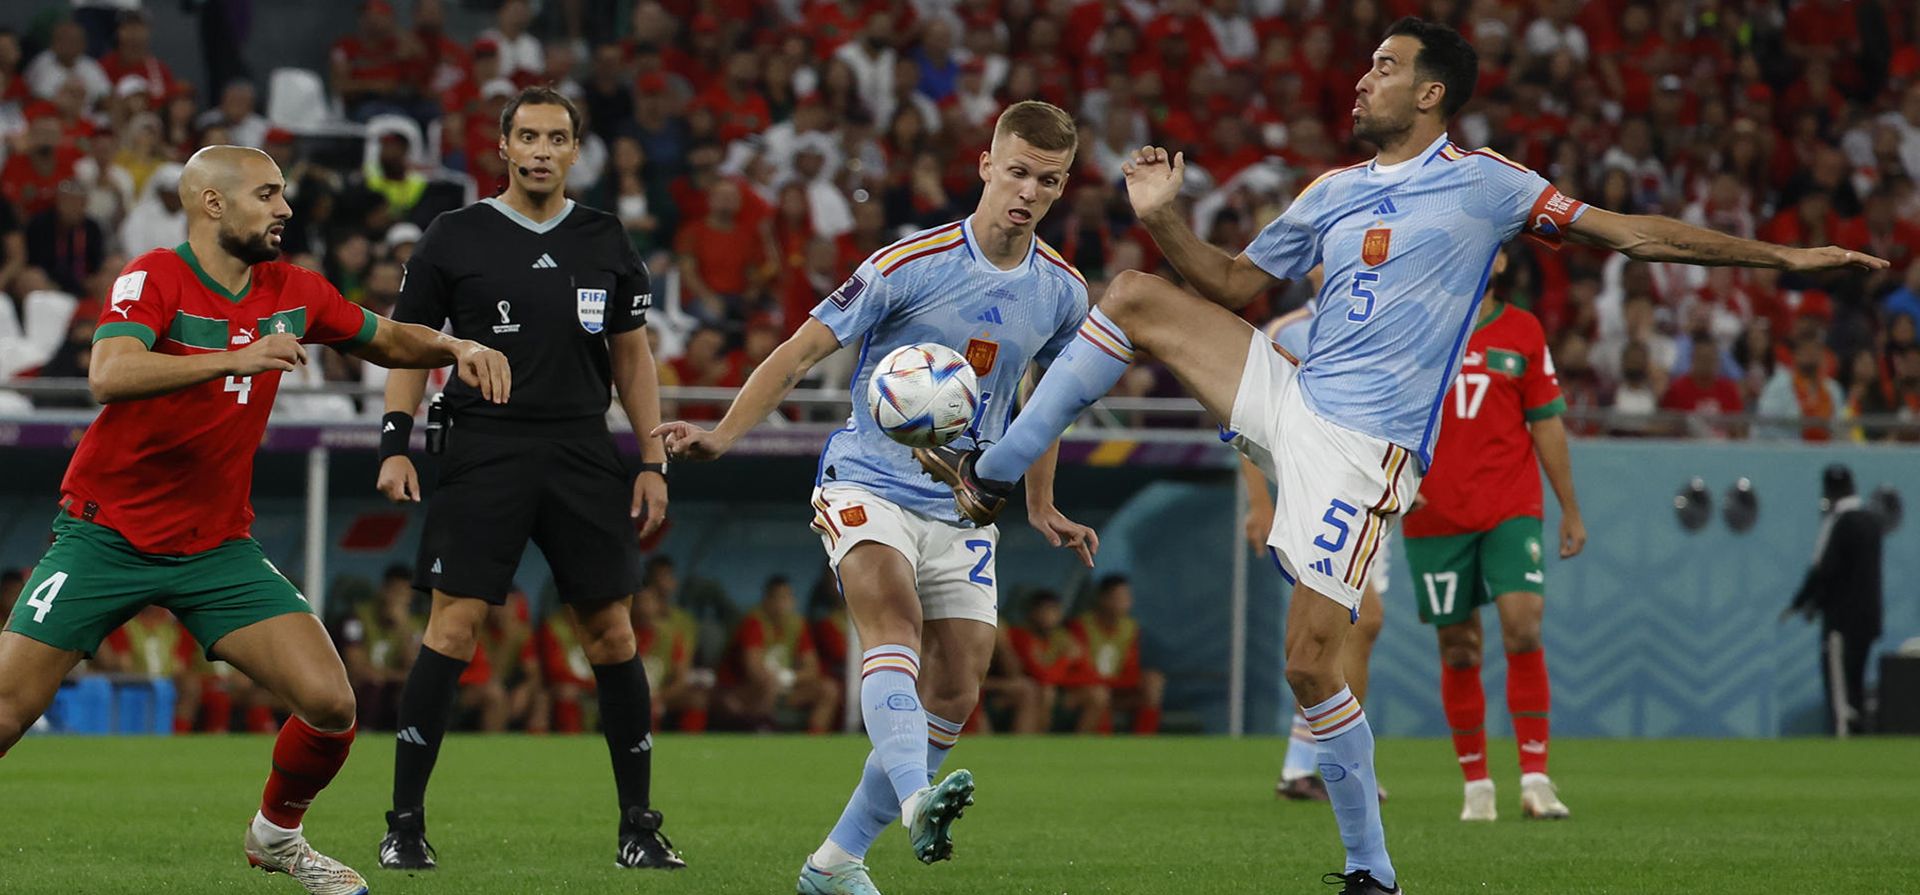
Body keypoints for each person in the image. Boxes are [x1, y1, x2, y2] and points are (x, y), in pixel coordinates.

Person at [915, 18, 1886, 893]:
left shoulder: (1489, 184)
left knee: (1307, 663)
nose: (1361, 79)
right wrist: (1166, 216)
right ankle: (994, 474)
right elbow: (1231, 282)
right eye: (1366, 64)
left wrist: (1788, 261)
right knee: (1130, 290)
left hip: (1363, 451)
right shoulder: (1332, 192)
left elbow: (1633, 234)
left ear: (1431, 93)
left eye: (1383, 68)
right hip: (1291, 395)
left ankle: (1372, 871)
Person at [0, 143, 509, 895]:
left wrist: (456, 344)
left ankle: (276, 836)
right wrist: (232, 358)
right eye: (268, 194)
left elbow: (384, 335)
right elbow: (109, 373)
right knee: (8, 709)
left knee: (332, 704)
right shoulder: (154, 276)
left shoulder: (292, 290)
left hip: (215, 547)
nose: (285, 210)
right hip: (105, 534)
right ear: (214, 203)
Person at [654, 100, 1097, 895]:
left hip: (961, 506)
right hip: (865, 480)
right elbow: (799, 350)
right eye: (1019, 171)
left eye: (1050, 180)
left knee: (960, 684)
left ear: (1063, 188)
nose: (1029, 191)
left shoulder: (1063, 291)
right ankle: (920, 796)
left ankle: (833, 862)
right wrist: (724, 434)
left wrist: (1039, 501)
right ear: (986, 166)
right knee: (893, 621)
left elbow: (1050, 400)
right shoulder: (909, 263)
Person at [373, 86, 679, 872]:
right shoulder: (454, 234)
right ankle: (404, 823)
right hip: (484, 446)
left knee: (612, 632)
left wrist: (651, 458)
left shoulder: (606, 238)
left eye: (557, 138)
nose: (542, 150)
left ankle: (639, 827)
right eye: (528, 136)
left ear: (576, 151)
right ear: (502, 147)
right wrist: (394, 444)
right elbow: (409, 344)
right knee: (453, 629)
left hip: (582, 449)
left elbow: (633, 357)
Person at [1398, 261, 1585, 822]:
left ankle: (1535, 778)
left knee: (1523, 624)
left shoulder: (1523, 329)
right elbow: (1384, 410)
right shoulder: (1412, 327)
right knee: (1459, 646)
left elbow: (1546, 422)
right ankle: (1476, 786)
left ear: (1501, 259)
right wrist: (1399, 478)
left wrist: (1569, 509)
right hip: (1434, 511)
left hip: (1510, 505)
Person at [1243, 306, 1389, 804]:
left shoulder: (1382, 318)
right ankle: (1321, 764)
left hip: (1366, 494)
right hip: (1310, 498)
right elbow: (1248, 416)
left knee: (1355, 632)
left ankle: (1317, 764)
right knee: (1356, 620)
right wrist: (1260, 503)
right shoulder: (1288, 331)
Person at [1784, 465, 1886, 737]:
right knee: (1856, 683)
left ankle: (1845, 740)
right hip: (1869, 620)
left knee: (1840, 692)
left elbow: (1825, 570)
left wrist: (1805, 603)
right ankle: (1859, 738)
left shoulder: (1838, 523)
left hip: (1841, 621)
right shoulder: (1871, 522)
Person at [716, 575, 841, 733]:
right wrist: (775, 681)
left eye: (788, 597)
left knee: (828, 689)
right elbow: (754, 671)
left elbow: (812, 668)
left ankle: (814, 740)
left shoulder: (797, 625)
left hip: (783, 687)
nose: (783, 604)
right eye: (778, 598)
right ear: (767, 601)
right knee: (767, 684)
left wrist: (788, 677)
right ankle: (761, 730)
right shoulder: (754, 622)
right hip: (745, 690)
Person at [1067, 575, 1165, 735]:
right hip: (1088, 688)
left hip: (1116, 686)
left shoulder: (1130, 628)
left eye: (1128, 597)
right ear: (1103, 599)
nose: (1126, 603)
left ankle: (1144, 742)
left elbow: (1131, 666)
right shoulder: (1081, 626)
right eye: (1119, 597)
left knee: (1154, 681)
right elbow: (1079, 669)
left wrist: (1120, 682)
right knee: (1100, 694)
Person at [1006, 590, 1108, 733]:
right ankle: (1037, 747)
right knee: (1047, 692)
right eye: (1045, 611)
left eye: (1054, 610)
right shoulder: (1021, 636)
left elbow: (1091, 675)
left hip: (1059, 688)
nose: (1050, 616)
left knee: (1098, 694)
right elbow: (1042, 677)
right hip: (1026, 690)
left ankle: (1079, 747)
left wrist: (1066, 682)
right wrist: (1066, 660)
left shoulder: (1063, 637)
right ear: (1033, 613)